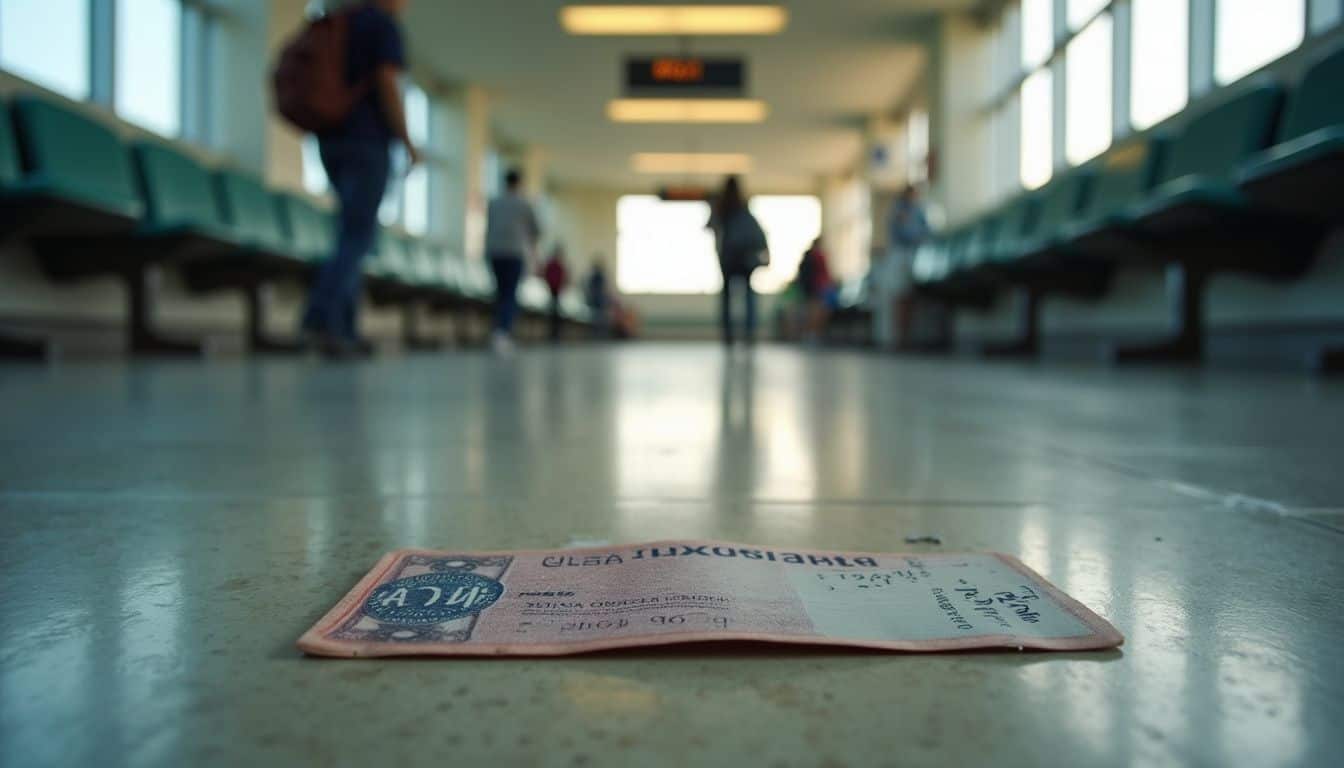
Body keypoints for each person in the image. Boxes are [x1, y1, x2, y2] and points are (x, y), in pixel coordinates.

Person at [301, 0, 418, 358]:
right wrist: (407, 141)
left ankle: (344, 326)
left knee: (350, 233)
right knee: (357, 237)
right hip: (367, 143)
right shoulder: (381, 26)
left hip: (330, 141)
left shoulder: (340, 22)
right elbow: (386, 81)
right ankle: (324, 321)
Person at [484, 169, 541, 354]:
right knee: (510, 294)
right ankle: (503, 333)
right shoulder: (524, 204)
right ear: (519, 183)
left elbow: (489, 228)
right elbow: (536, 232)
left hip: (495, 253)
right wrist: (533, 255)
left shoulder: (493, 203)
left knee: (499, 293)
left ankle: (498, 331)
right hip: (514, 253)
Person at [707, 176, 768, 345]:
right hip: (745, 259)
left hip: (728, 258)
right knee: (748, 296)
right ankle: (749, 333)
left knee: (727, 298)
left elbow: (711, 226)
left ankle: (728, 335)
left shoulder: (722, 207)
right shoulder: (743, 207)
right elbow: (757, 233)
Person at [880, 185, 931, 349]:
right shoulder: (900, 210)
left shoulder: (918, 211)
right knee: (900, 296)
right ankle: (900, 338)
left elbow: (928, 231)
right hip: (900, 256)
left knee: (909, 297)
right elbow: (906, 234)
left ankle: (906, 336)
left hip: (914, 256)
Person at [798, 238, 837, 344]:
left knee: (811, 312)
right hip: (819, 287)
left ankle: (809, 335)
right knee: (817, 313)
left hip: (810, 288)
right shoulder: (818, 255)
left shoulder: (807, 255)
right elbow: (825, 272)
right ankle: (813, 335)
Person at [542, 245, 570, 343]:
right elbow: (546, 275)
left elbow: (564, 278)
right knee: (553, 314)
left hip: (558, 291)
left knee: (557, 314)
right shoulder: (552, 264)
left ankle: (556, 334)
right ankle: (552, 334)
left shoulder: (560, 265)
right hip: (552, 290)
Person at [584, 258, 611, 338]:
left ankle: (599, 334)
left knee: (599, 318)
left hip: (598, 301)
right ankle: (596, 334)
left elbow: (603, 289)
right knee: (596, 318)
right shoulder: (596, 277)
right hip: (596, 301)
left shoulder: (599, 277)